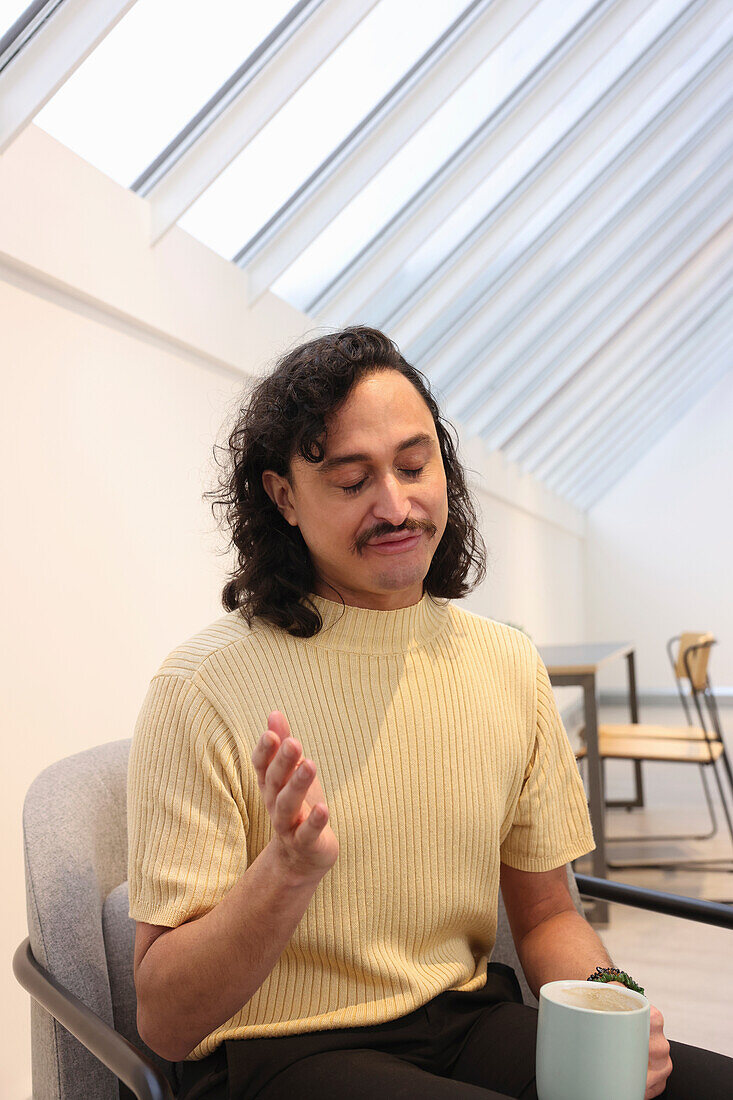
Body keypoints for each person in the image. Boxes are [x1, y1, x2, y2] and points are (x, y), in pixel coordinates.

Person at [127, 327, 731, 1099]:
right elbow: (166, 1024)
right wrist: (282, 875)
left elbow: (545, 916)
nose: (395, 504)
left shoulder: (504, 663)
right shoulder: (202, 687)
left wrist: (611, 999)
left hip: (465, 1022)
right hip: (282, 1056)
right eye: (351, 481)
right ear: (283, 497)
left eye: (414, 467)